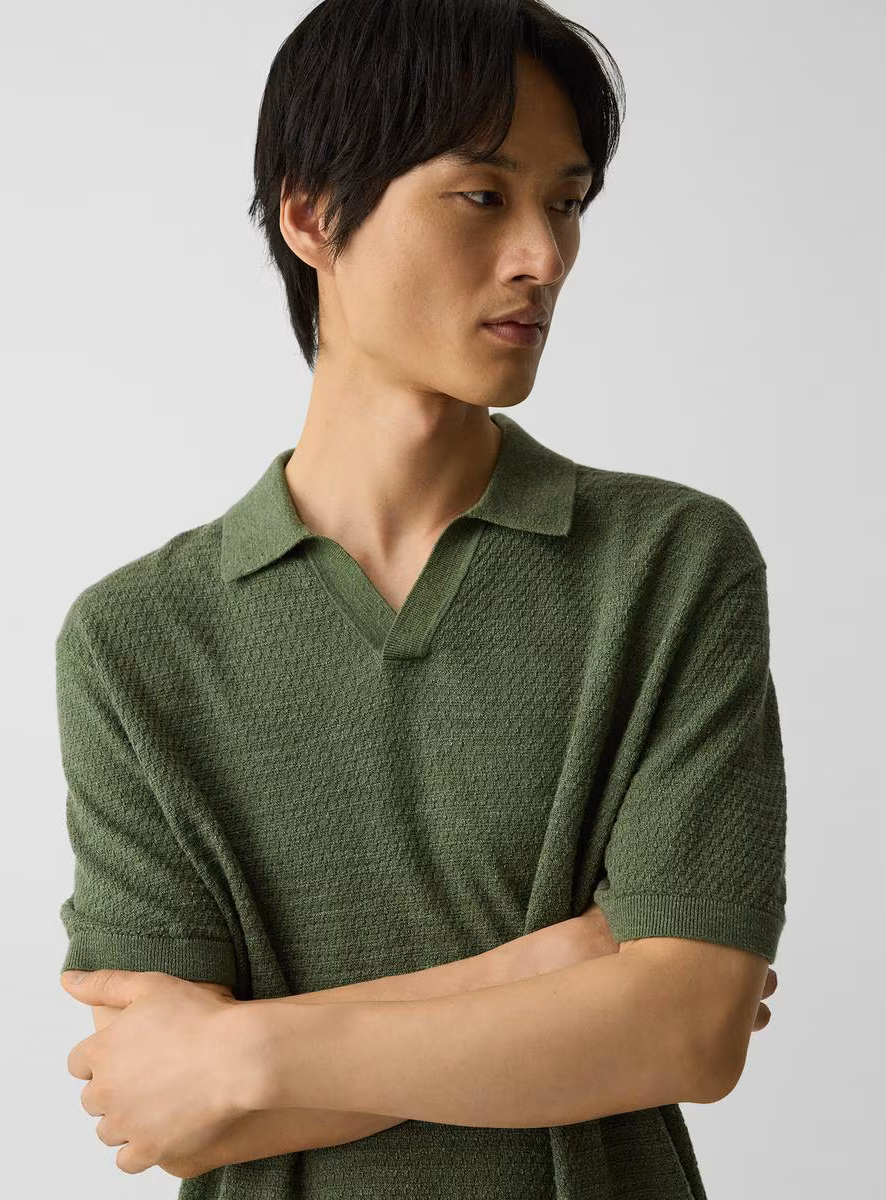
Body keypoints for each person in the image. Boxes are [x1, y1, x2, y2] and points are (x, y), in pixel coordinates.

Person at [56, 2, 786, 1197]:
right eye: (483, 196)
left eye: (567, 202)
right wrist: (553, 974)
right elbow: (164, 1110)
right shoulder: (136, 639)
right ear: (310, 214)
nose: (544, 256)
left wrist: (243, 1052)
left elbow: (692, 1028)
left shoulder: (670, 564)